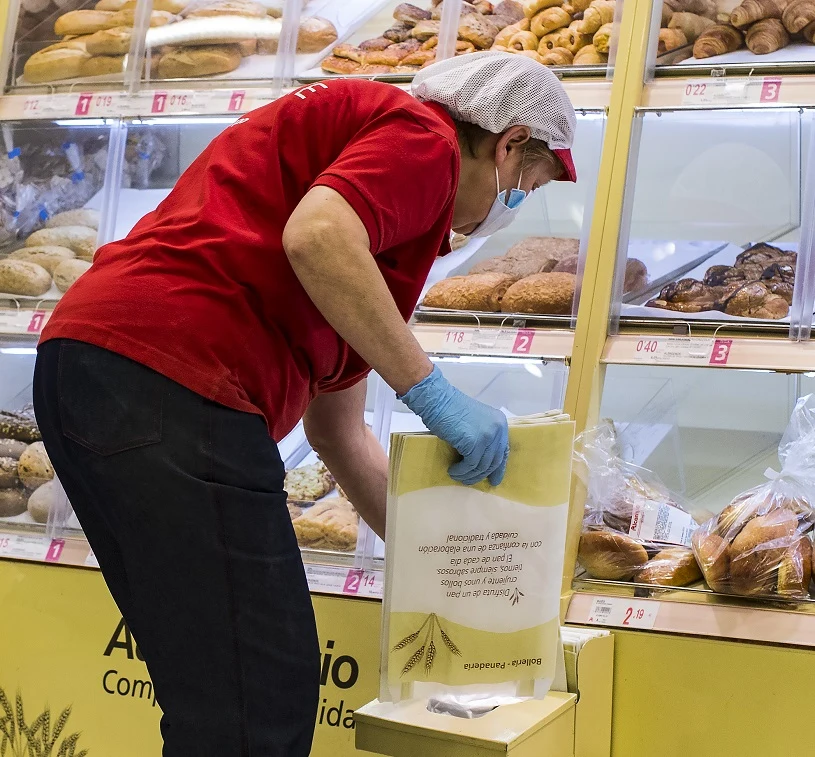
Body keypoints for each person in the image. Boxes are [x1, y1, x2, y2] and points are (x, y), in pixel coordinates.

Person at [33, 51, 576, 756]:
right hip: (174, 378)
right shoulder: (426, 140)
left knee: (222, 691)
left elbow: (337, 432)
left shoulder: (372, 212)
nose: (510, 209)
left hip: (98, 369)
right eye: (525, 188)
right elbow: (316, 236)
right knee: (257, 700)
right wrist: (431, 391)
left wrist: (448, 562)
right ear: (507, 144)